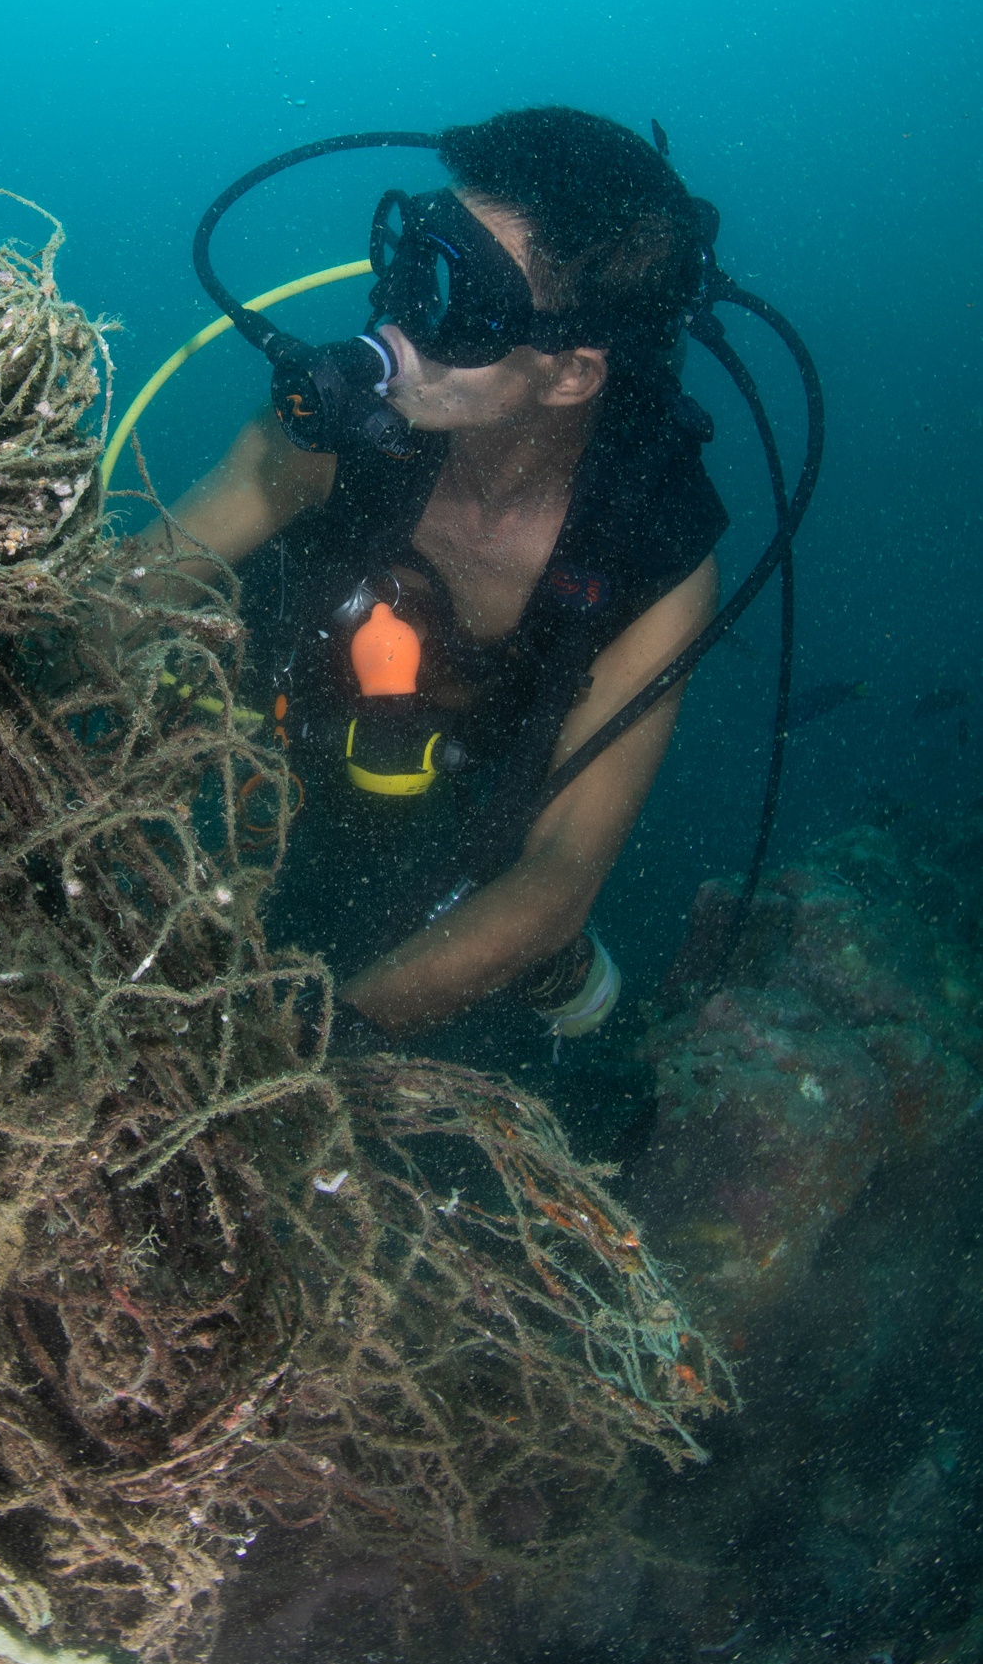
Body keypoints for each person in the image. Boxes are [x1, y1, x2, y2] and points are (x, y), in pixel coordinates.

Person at [131, 107, 726, 1044]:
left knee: (520, 936)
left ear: (571, 374)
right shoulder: (337, 438)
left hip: (462, 800)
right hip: (295, 734)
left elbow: (558, 876)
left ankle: (557, 987)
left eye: (456, 294)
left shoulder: (655, 560)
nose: (393, 315)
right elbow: (131, 592)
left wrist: (309, 1049)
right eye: (413, 257)